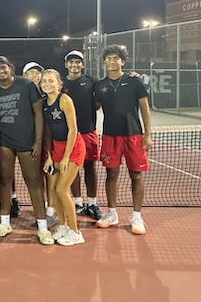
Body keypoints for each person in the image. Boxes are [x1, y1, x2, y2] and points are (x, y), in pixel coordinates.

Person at [0, 56, 53, 245]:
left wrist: (38, 141)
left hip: (27, 142)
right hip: (3, 142)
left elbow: (38, 113)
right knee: (5, 180)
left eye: (3, 67)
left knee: (34, 181)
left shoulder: (26, 85)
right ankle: (4, 223)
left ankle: (42, 227)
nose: (1, 71)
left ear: (10, 68)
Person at [94, 44, 152, 235]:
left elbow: (144, 108)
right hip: (110, 136)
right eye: (108, 58)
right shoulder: (99, 85)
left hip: (133, 135)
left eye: (115, 58)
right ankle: (112, 214)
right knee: (111, 175)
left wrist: (148, 134)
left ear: (123, 61)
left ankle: (136, 216)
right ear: (104, 62)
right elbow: (92, 106)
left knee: (136, 175)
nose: (112, 61)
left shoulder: (135, 82)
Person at [40, 69, 86, 246]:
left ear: (59, 83)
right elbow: (49, 132)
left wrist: (66, 156)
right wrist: (50, 156)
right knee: (53, 189)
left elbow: (73, 129)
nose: (47, 84)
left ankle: (76, 232)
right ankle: (63, 226)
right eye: (44, 81)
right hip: (56, 149)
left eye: (51, 81)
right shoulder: (44, 103)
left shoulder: (65, 100)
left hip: (72, 148)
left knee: (61, 190)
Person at [62, 50, 103, 220]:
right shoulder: (61, 83)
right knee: (73, 170)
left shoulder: (92, 81)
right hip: (67, 135)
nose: (74, 65)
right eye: (71, 62)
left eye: (78, 62)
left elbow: (99, 103)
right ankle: (78, 203)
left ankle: (92, 203)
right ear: (66, 65)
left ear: (83, 64)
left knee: (90, 168)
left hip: (88, 132)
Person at [22, 61, 56, 226]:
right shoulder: (22, 95)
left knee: (51, 175)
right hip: (30, 144)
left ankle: (51, 210)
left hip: (49, 143)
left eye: (37, 73)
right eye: (31, 73)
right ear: (24, 76)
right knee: (36, 178)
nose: (35, 76)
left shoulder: (49, 95)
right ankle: (41, 208)